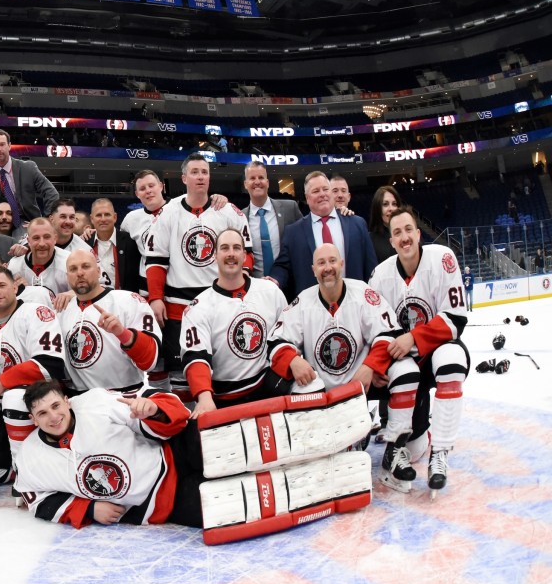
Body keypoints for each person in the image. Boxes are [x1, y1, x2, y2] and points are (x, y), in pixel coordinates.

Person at [13, 380, 372, 544]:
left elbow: (161, 403)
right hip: (163, 504)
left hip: (172, 452)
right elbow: (36, 500)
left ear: (68, 401)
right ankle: (325, 479)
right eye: (42, 413)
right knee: (248, 499)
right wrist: (89, 509)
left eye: (56, 406)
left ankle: (326, 437)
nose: (52, 416)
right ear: (33, 418)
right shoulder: (32, 456)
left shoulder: (95, 402)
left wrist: (152, 409)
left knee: (238, 443)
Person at [266, 243, 421, 453]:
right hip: (322, 391)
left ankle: (395, 450)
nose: (327, 267)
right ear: (313, 270)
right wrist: (293, 360)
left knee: (406, 370)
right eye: (321, 263)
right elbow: (275, 341)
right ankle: (330, 438)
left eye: (332, 261)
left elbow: (389, 333)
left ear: (342, 264)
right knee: (332, 447)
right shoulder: (303, 301)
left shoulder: (362, 293)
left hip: (363, 382)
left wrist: (372, 366)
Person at [368, 207, 470, 495]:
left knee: (452, 359)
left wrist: (413, 337)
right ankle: (395, 447)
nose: (404, 237)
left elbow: (456, 320)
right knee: (412, 451)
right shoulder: (380, 276)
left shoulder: (442, 259)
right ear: (391, 241)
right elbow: (375, 331)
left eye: (408, 230)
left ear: (418, 233)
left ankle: (440, 452)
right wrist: (376, 366)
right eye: (397, 232)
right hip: (404, 368)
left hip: (435, 355)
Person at [145, 153, 251, 396]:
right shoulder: (169, 212)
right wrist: (156, 297)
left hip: (220, 301)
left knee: (224, 366)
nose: (200, 176)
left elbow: (246, 254)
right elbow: (156, 260)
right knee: (183, 377)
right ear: (184, 178)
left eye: (204, 172)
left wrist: (238, 293)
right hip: (179, 307)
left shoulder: (229, 212)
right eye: (194, 172)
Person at [0, 265, 66, 484]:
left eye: (2, 285)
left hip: (36, 406)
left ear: (15, 287)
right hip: (0, 409)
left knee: (13, 397)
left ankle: (32, 469)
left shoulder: (35, 313)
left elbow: (50, 364)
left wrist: (3, 381)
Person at [181, 229, 290, 416]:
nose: (231, 253)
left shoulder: (270, 291)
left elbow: (288, 336)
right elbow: (196, 357)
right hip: (226, 399)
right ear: (215, 255)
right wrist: (204, 398)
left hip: (268, 388)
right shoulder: (199, 307)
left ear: (244, 255)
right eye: (224, 248)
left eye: (236, 248)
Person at [59, 249, 159, 393]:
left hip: (126, 397)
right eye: (73, 269)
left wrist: (122, 333)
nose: (80, 273)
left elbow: (150, 360)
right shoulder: (61, 312)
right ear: (67, 276)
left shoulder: (129, 301)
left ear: (99, 271)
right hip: (79, 401)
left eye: (86, 266)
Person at [270, 171, 378, 299]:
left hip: (355, 302)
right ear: (307, 198)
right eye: (316, 191)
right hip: (313, 308)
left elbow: (371, 268)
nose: (322, 194)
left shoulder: (357, 224)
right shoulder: (293, 232)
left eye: (325, 189)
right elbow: (283, 266)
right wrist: (274, 281)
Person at [0, 129, 59, 229]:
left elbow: (51, 193)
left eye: (2, 144)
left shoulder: (28, 168)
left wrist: (47, 219)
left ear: (9, 146)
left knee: (22, 242)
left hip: (25, 219)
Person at [243, 162, 302, 279]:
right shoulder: (240, 217)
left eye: (261, 177)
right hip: (256, 287)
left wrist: (338, 211)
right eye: (252, 178)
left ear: (268, 182)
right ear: (245, 184)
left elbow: (309, 230)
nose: (257, 182)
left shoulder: (290, 208)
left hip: (289, 284)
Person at [120, 170, 166, 295]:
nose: (148, 191)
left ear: (161, 186)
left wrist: (216, 199)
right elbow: (116, 239)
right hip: (146, 288)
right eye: (142, 188)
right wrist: (92, 231)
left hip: (177, 285)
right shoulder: (131, 219)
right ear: (137, 194)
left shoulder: (179, 208)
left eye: (151, 186)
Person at [86, 198, 142, 292]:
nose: (103, 219)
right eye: (99, 215)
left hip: (124, 300)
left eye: (107, 214)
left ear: (115, 217)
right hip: (94, 300)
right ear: (92, 219)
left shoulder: (131, 243)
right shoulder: (85, 243)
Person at [8, 217, 70, 294]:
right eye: (36, 238)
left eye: (47, 237)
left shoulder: (69, 262)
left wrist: (72, 294)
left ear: (55, 238)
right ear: (28, 241)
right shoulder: (14, 266)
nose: (42, 244)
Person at [367, 185, 404, 265]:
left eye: (394, 204)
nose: (391, 209)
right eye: (385, 204)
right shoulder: (370, 240)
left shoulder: (409, 233)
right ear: (378, 208)